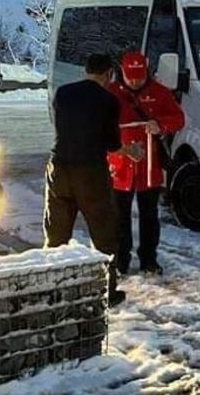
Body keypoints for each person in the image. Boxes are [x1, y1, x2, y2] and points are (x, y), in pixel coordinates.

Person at [45, 53, 143, 304]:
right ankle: (106, 292)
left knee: (56, 235)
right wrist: (129, 150)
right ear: (109, 73)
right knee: (104, 235)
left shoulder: (63, 93)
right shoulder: (108, 100)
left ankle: (51, 292)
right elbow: (111, 144)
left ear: (85, 70)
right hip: (90, 172)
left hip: (58, 168)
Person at [108, 51, 185, 275]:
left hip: (149, 165)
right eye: (130, 76)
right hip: (119, 163)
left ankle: (149, 258)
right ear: (121, 71)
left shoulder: (160, 92)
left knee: (149, 215)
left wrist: (160, 125)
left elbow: (178, 118)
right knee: (118, 215)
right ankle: (120, 258)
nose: (135, 81)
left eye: (139, 76)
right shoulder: (110, 93)